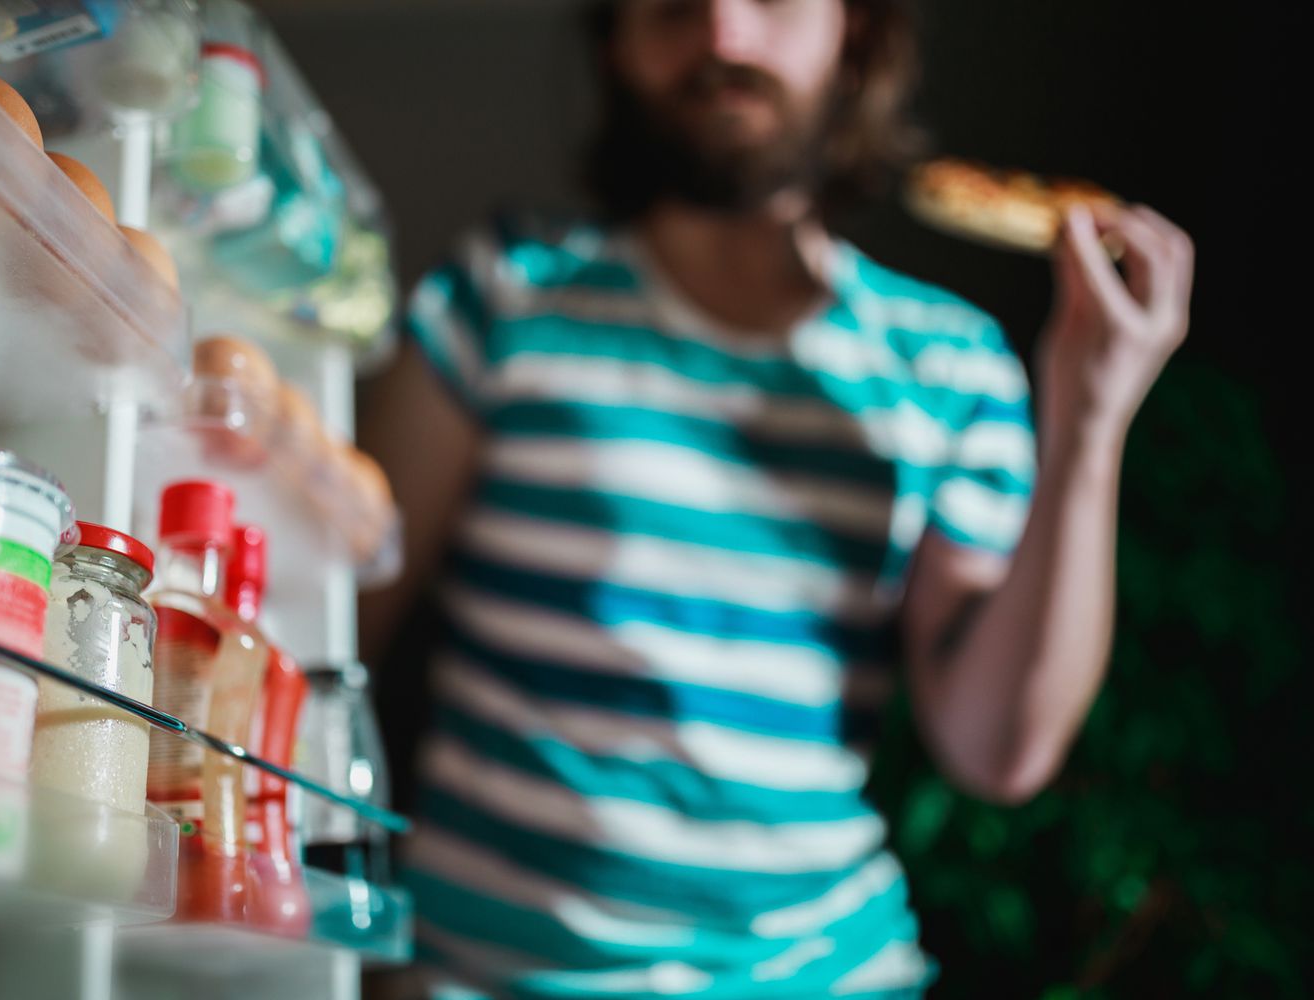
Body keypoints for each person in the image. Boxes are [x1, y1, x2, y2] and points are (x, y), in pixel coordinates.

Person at [359, 1, 1195, 997]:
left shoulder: (947, 364)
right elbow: (329, 623)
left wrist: (1088, 419)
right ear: (617, 43)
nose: (723, 34)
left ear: (856, 36)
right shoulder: (500, 298)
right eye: (672, 4)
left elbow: (1000, 750)